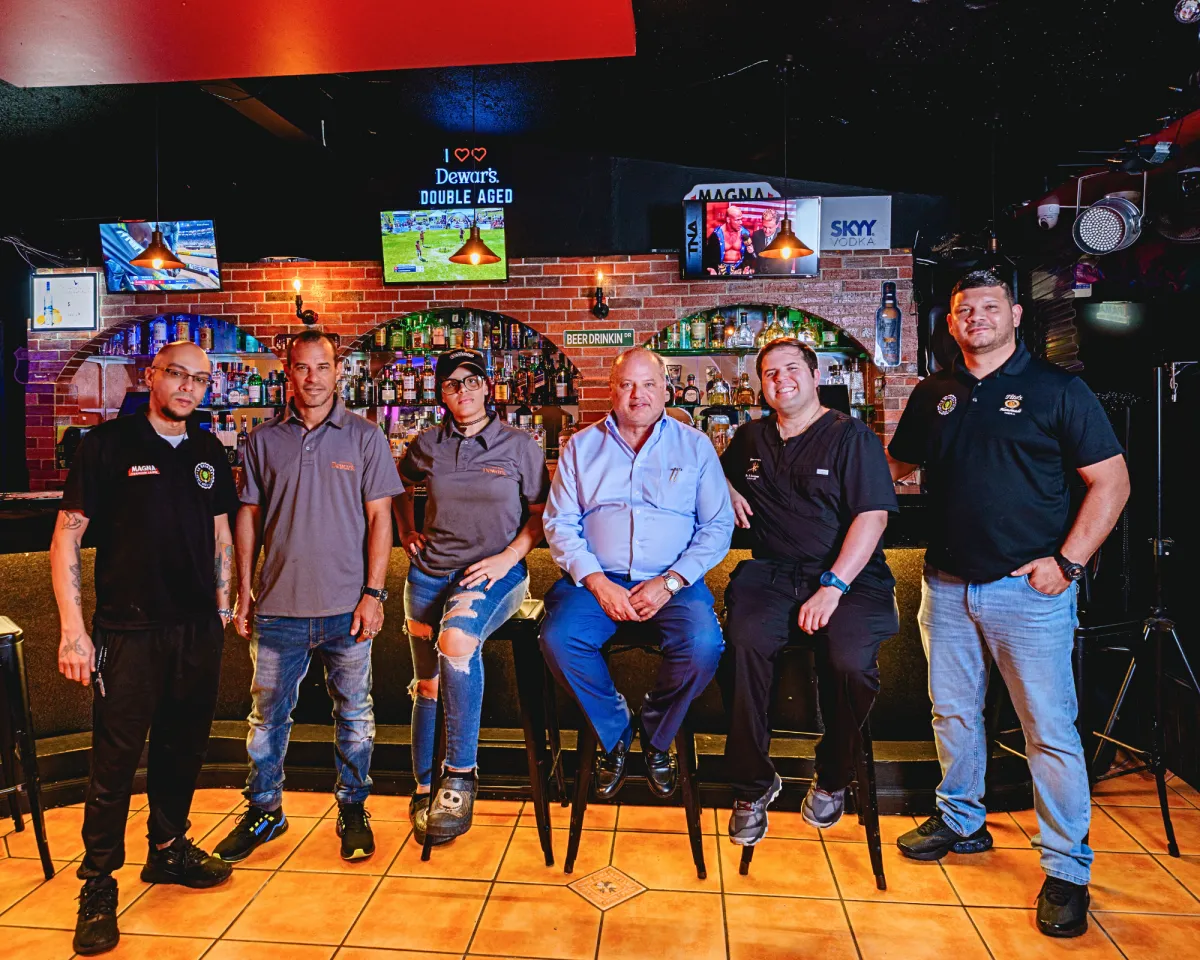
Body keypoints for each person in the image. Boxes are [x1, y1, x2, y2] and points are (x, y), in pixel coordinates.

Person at [888, 270, 1130, 939]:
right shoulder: (934, 393)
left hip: (1028, 593)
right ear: (951, 321)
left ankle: (1067, 869)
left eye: (990, 307)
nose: (977, 317)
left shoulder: (1058, 390)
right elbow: (892, 468)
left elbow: (1111, 482)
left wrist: (1067, 562)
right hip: (946, 585)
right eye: (965, 309)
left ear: (1016, 315)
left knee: (1047, 730)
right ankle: (961, 820)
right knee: (952, 713)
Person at [52, 341, 237, 956]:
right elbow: (66, 538)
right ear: (151, 375)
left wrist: (222, 603)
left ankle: (167, 849)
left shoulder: (209, 451)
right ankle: (98, 883)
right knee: (114, 763)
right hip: (127, 631)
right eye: (177, 374)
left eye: (200, 380)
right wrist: (73, 630)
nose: (188, 387)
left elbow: (220, 532)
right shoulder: (106, 446)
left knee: (183, 748)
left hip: (196, 629)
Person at [214, 330, 403, 865]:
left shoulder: (365, 436)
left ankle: (353, 808)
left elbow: (381, 519)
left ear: (338, 371)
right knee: (266, 720)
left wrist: (374, 594)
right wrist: (244, 591)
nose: (313, 378)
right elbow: (248, 517)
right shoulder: (262, 441)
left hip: (348, 607)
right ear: (288, 372)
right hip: (278, 608)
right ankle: (265, 810)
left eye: (322, 367)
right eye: (302, 367)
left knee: (356, 716)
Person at [720, 338, 898, 845]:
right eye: (770, 373)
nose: (781, 379)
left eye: (792, 369)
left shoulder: (851, 436)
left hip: (850, 578)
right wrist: (726, 489)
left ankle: (834, 773)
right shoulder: (750, 437)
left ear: (816, 376)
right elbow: (705, 472)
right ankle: (753, 785)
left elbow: (873, 516)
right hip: (772, 573)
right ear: (760, 384)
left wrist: (833, 586)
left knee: (850, 664)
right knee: (739, 646)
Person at [540, 348, 734, 798]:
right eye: (627, 384)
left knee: (704, 646)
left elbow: (717, 526)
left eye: (648, 384)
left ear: (666, 390)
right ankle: (615, 732)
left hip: (674, 583)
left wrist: (671, 581)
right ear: (612, 391)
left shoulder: (695, 446)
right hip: (595, 582)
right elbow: (559, 523)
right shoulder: (580, 447)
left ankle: (655, 734)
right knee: (558, 639)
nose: (637, 395)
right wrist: (597, 582)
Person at [395, 348, 549, 842]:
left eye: (472, 380)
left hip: (493, 575)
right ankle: (423, 789)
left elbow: (540, 515)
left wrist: (509, 557)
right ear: (441, 394)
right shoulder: (427, 444)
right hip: (428, 574)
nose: (463, 390)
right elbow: (399, 483)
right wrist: (407, 529)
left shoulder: (519, 445)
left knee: (457, 642)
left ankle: (460, 779)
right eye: (452, 383)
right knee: (426, 686)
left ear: (487, 386)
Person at [703, 204, 756, 275]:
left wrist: (751, 254)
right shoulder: (716, 234)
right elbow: (708, 256)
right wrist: (712, 269)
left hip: (738, 269)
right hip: (720, 270)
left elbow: (751, 257)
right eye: (737, 220)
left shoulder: (745, 233)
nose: (741, 222)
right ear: (728, 219)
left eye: (741, 219)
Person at [751, 207, 792, 275]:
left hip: (777, 277)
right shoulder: (756, 235)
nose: (767, 231)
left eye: (770, 227)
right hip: (759, 277)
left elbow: (787, 266)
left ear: (777, 225)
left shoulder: (785, 238)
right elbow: (753, 258)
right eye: (764, 227)